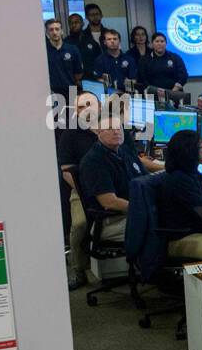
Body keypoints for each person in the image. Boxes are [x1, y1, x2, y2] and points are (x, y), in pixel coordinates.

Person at [77, 106, 149, 244]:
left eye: (119, 128)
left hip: (132, 212)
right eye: (110, 128)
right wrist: (143, 208)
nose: (116, 132)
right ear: (98, 132)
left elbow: (146, 179)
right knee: (160, 225)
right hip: (112, 221)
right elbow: (110, 202)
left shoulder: (125, 151)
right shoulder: (94, 161)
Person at [59, 92, 106, 289]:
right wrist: (86, 190)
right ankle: (78, 270)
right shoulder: (70, 135)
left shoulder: (112, 127)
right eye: (80, 107)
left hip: (113, 188)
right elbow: (66, 171)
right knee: (79, 224)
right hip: (83, 192)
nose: (85, 109)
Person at [158, 129, 202, 261]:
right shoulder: (180, 180)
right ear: (190, 151)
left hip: (195, 228)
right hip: (182, 237)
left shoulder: (191, 174)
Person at [45, 18, 83, 96]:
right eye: (51, 30)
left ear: (62, 31)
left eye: (57, 29)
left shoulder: (72, 49)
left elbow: (78, 74)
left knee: (73, 108)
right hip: (53, 92)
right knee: (57, 109)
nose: (54, 32)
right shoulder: (44, 51)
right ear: (47, 33)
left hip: (72, 90)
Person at [75, 4, 105, 71]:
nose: (95, 17)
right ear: (87, 17)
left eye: (97, 14)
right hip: (89, 74)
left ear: (101, 15)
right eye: (92, 15)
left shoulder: (109, 34)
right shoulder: (82, 36)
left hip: (108, 72)